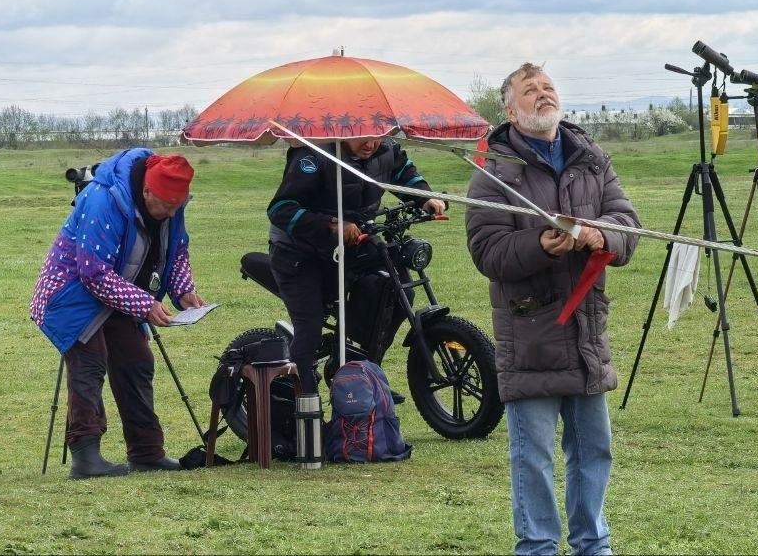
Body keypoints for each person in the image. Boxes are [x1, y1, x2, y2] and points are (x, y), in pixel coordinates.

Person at [464, 62, 639, 555]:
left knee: (593, 451)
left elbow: (628, 222)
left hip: (586, 331)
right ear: (511, 108)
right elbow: (487, 251)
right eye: (530, 89)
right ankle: (538, 547)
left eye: (548, 86)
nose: (543, 94)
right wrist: (542, 245)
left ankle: (593, 545)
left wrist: (600, 234)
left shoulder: (591, 157)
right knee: (533, 457)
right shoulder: (493, 172)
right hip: (530, 334)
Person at [30, 149, 205, 479]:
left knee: (137, 361)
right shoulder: (103, 200)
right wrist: (144, 305)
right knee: (89, 363)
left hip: (118, 293)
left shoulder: (172, 207)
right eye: (165, 205)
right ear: (146, 190)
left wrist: (184, 290)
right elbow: (93, 271)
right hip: (71, 294)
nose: (169, 213)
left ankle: (146, 452)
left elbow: (176, 250)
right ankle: (85, 456)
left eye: (176, 207)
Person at [266, 136, 445, 395]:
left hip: (355, 239)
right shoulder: (313, 155)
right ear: (346, 130)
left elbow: (404, 173)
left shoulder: (387, 149)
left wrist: (424, 197)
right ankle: (299, 404)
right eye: (364, 137)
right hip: (300, 251)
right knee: (310, 328)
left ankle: (364, 375)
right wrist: (331, 225)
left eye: (378, 136)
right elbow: (280, 209)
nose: (371, 144)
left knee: (400, 290)